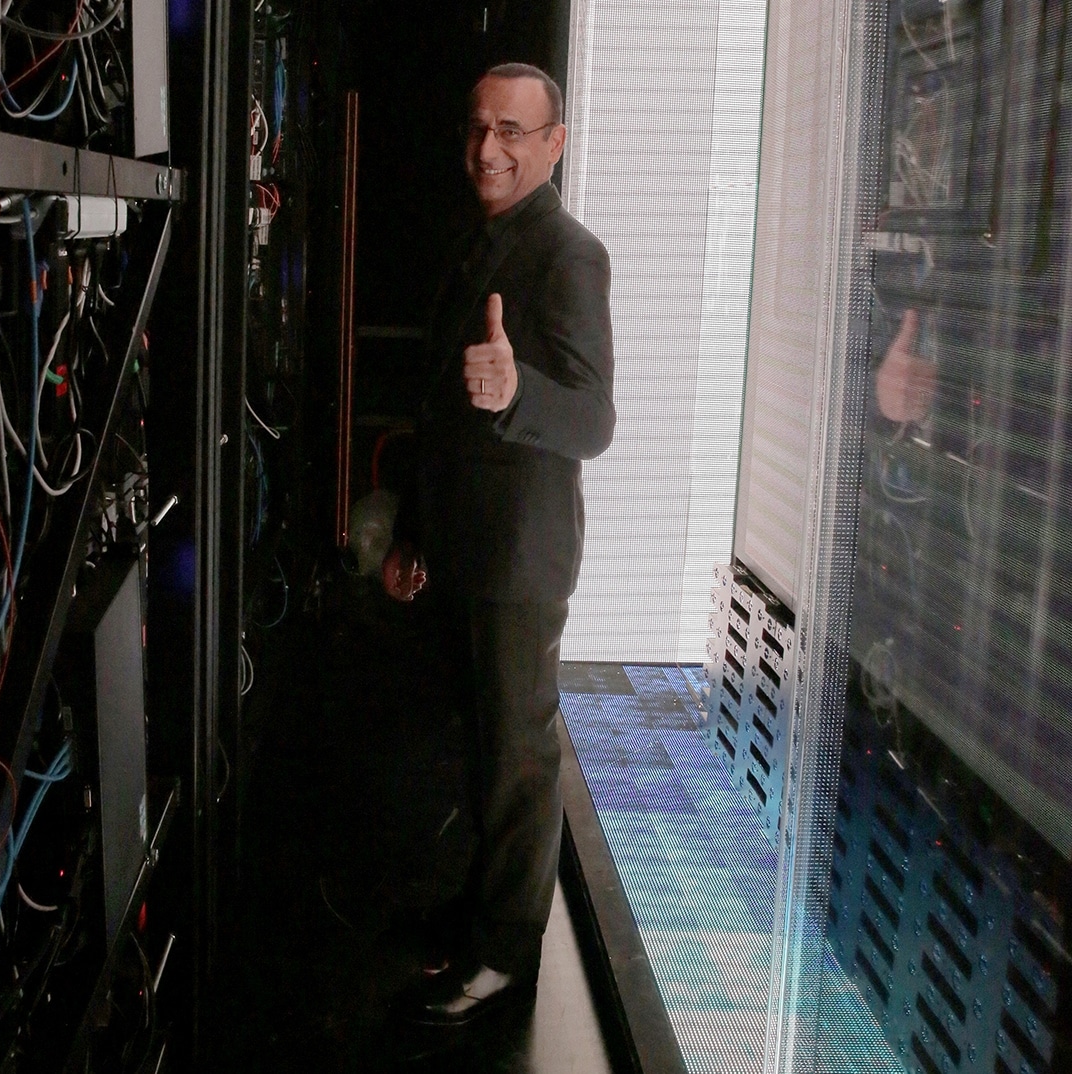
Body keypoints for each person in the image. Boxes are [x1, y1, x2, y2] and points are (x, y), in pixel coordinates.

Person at [383, 62, 615, 1026]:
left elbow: (594, 421)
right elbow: (438, 412)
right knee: (480, 749)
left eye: (513, 131)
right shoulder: (476, 240)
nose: (488, 148)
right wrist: (413, 530)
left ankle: (505, 957)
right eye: (480, 127)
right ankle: (481, 915)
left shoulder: (569, 254)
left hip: (520, 557)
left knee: (518, 761)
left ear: (554, 144)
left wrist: (518, 393)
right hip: (464, 545)